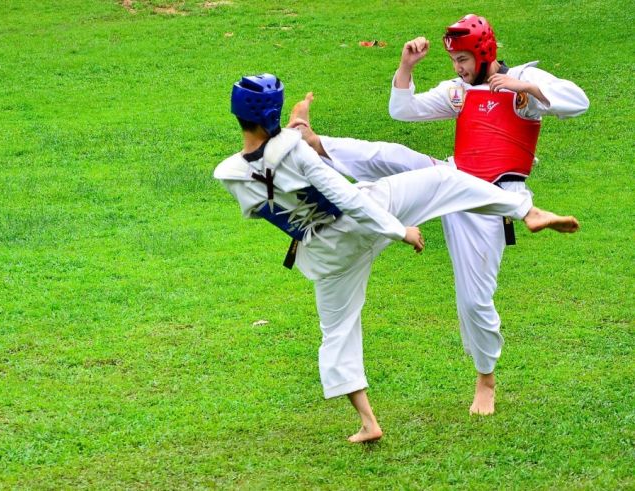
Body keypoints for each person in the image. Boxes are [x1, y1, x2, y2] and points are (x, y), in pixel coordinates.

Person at [214, 73, 579, 443]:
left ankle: (368, 422)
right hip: (364, 221)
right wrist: (399, 230)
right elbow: (347, 197)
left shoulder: (229, 173)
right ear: (273, 114)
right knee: (443, 181)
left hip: (325, 254)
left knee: (338, 332)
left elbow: (271, 183)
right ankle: (526, 211)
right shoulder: (295, 150)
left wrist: (298, 122)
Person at [290, 14, 589, 416]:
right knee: (392, 155)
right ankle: (317, 145)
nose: (458, 68)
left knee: (473, 300)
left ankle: (486, 378)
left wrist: (527, 86)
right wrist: (405, 67)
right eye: (453, 61)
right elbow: (403, 110)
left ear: (485, 53)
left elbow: (578, 101)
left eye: (463, 59)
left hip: (491, 199)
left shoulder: (523, 82)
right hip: (449, 177)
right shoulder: (459, 92)